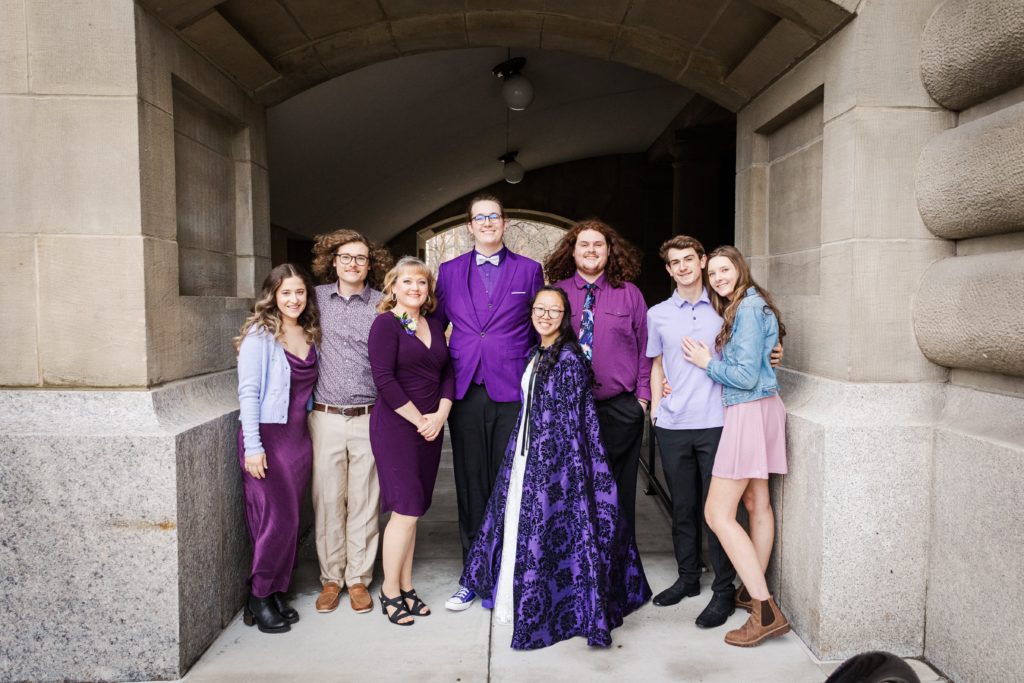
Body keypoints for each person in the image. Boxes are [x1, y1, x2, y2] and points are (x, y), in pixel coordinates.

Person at [461, 286, 651, 649]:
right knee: (516, 522)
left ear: (566, 319)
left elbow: (566, 424)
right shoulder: (540, 352)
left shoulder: (567, 359)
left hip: (551, 461)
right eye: (540, 309)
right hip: (527, 451)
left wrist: (543, 470)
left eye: (554, 311)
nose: (545, 315)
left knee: (545, 528)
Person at [434, 193, 544, 611]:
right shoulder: (447, 272)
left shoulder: (529, 270)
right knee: (470, 482)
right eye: (479, 217)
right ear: (469, 226)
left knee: (511, 482)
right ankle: (472, 574)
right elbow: (431, 326)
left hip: (513, 390)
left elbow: (541, 328)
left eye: (493, 216)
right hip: (465, 391)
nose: (486, 223)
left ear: (504, 222)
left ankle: (508, 573)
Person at [681, 245, 789, 647]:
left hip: (747, 410)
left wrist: (705, 361)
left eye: (725, 270)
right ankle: (752, 590)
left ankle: (764, 610)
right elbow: (765, 357)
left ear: (740, 269)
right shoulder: (757, 306)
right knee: (755, 503)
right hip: (765, 407)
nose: (719, 278)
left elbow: (743, 376)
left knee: (716, 512)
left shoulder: (744, 310)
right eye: (714, 275)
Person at [646, 235, 737, 627]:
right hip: (673, 424)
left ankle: (724, 590)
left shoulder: (726, 307)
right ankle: (688, 578)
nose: (683, 267)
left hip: (717, 422)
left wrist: (775, 350)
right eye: (674, 262)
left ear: (702, 262)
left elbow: (755, 347)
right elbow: (656, 365)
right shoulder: (658, 314)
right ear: (668, 269)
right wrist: (655, 409)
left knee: (717, 513)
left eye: (689, 259)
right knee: (682, 507)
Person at [546, 218, 651, 536]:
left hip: (619, 408)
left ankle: (619, 564)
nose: (591, 250)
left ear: (609, 251)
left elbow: (646, 349)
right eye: (584, 244)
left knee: (618, 491)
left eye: (598, 244)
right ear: (572, 252)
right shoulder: (556, 294)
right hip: (569, 409)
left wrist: (642, 401)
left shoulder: (630, 294)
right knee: (573, 488)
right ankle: (579, 563)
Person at [307, 229, 392, 616]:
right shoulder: (315, 299)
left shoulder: (381, 304)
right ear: (333, 261)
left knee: (364, 500)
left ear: (370, 264)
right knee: (327, 500)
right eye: (346, 257)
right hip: (325, 416)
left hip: (370, 416)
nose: (354, 264)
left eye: (361, 258)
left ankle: (358, 579)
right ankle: (331, 578)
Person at [368, 257, 455, 626]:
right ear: (393, 287)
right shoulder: (386, 325)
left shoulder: (430, 323)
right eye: (407, 282)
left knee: (415, 510)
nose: (415, 288)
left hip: (431, 428)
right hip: (398, 427)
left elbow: (448, 371)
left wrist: (441, 415)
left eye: (421, 283)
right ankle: (389, 592)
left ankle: (406, 585)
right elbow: (384, 380)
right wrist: (419, 419)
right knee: (403, 511)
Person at [235, 263, 321, 634]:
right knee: (274, 520)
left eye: (299, 292)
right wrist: (252, 446)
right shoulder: (260, 335)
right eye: (286, 292)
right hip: (268, 438)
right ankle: (258, 595)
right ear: (273, 295)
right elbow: (249, 393)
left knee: (289, 521)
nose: (293, 299)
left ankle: (272, 594)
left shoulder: (310, 332)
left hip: (299, 439)